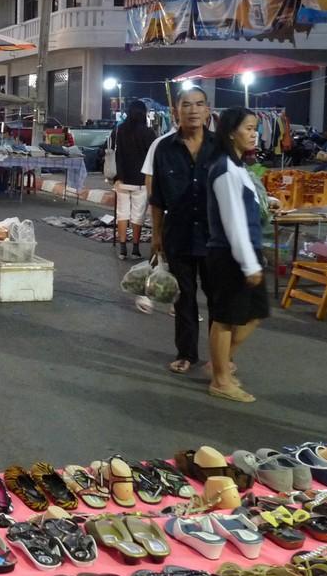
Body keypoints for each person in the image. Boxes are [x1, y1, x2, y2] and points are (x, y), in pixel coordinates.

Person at [149, 86, 219, 376]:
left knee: (217, 300)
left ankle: (219, 358)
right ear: (175, 110)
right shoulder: (164, 148)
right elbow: (157, 198)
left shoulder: (222, 146)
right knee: (184, 298)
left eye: (199, 104)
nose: (193, 110)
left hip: (216, 237)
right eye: (186, 105)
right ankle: (186, 354)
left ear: (207, 109)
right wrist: (156, 235)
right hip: (178, 235)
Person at [205, 107, 268, 403]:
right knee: (226, 319)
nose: (254, 133)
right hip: (230, 254)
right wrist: (249, 264)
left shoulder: (239, 167)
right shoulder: (225, 169)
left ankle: (219, 365)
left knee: (253, 315)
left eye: (255, 128)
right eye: (248, 128)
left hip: (244, 252)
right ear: (231, 133)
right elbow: (233, 222)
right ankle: (220, 379)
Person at [112, 100, 157, 260]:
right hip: (141, 181)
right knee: (138, 215)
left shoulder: (121, 130)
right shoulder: (148, 132)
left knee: (122, 213)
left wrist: (119, 176)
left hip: (123, 179)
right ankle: (136, 249)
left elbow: (118, 155)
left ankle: (123, 248)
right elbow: (153, 158)